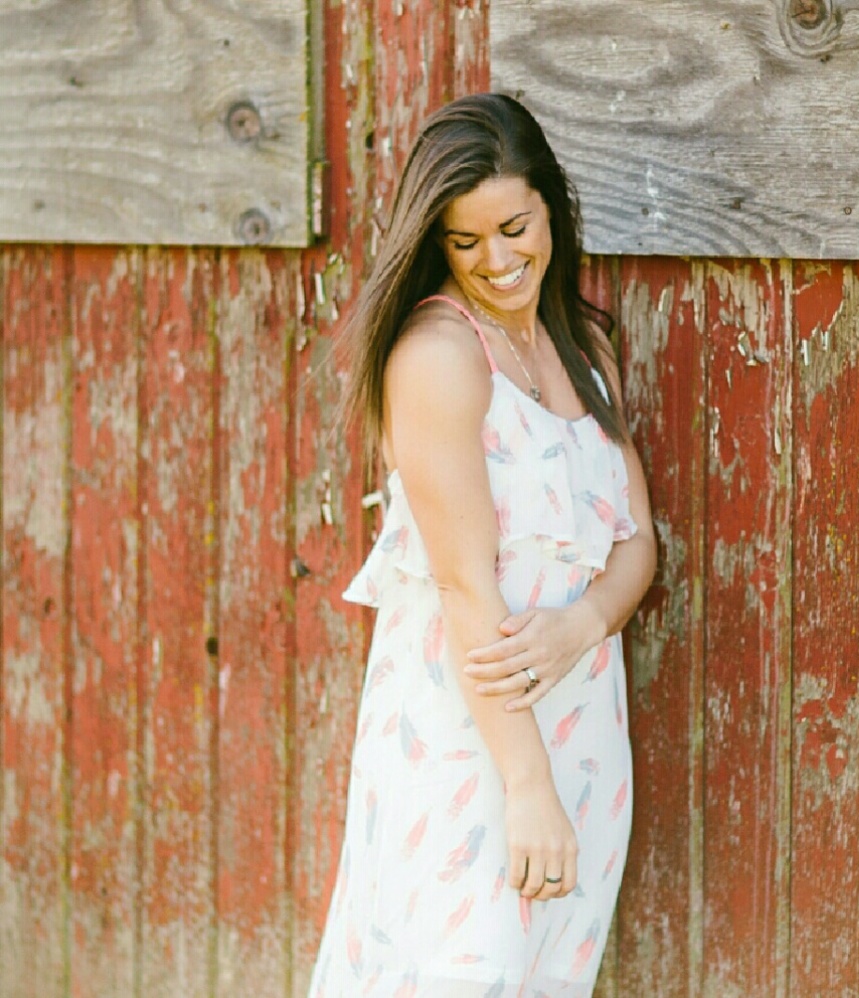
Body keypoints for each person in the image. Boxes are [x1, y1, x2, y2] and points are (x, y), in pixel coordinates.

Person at [308, 93, 656, 998]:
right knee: (462, 974)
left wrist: (582, 624)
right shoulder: (437, 356)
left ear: (551, 207)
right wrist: (526, 786)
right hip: (472, 747)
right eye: (467, 243)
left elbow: (637, 544)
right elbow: (467, 588)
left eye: (514, 227)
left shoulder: (582, 347)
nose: (498, 262)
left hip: (583, 730)